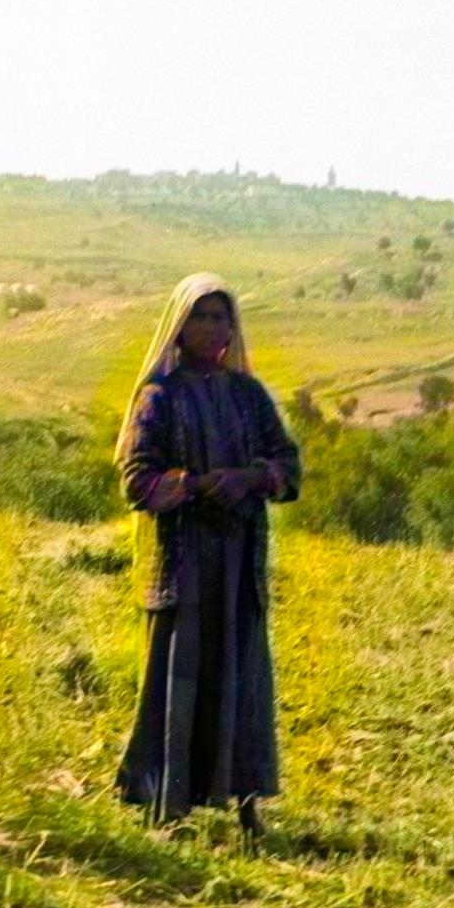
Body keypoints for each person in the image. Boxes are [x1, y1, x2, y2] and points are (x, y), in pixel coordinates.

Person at [112, 273, 301, 840]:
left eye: (222, 317)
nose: (213, 328)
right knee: (179, 676)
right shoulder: (159, 397)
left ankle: (247, 801)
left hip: (239, 563)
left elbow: (288, 467)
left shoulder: (249, 394)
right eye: (201, 316)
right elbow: (137, 480)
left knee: (242, 675)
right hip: (183, 565)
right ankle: (165, 804)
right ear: (179, 325)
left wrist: (247, 479)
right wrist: (196, 487)